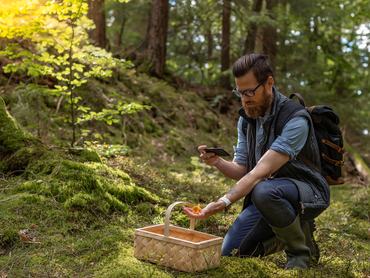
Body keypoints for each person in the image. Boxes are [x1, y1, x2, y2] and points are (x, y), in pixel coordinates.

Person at [183, 53, 330, 269]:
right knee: (231, 252)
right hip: (269, 196)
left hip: (308, 193)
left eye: (250, 92)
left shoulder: (296, 119)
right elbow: (243, 169)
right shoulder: (246, 119)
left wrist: (223, 202)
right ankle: (296, 231)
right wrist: (217, 162)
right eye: (240, 93)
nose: (245, 99)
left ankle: (300, 254)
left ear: (269, 83)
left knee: (264, 190)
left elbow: (259, 172)